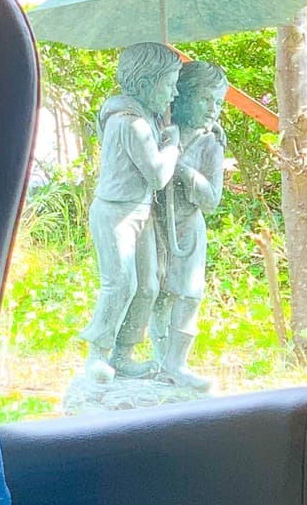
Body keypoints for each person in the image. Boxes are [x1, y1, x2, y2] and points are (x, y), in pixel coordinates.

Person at [82, 42, 181, 385]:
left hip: (139, 211)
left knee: (148, 286)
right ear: (145, 83)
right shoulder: (129, 123)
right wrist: (172, 145)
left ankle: (124, 353)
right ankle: (98, 352)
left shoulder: (145, 119)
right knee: (120, 284)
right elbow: (157, 174)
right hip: (115, 213)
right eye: (169, 83)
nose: (174, 92)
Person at [150, 58, 229, 391]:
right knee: (156, 293)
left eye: (219, 103)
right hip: (155, 224)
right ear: (180, 96)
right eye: (205, 99)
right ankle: (158, 359)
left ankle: (177, 362)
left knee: (187, 294)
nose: (213, 109)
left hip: (189, 229)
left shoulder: (210, 145)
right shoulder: (161, 131)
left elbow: (211, 199)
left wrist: (183, 171)